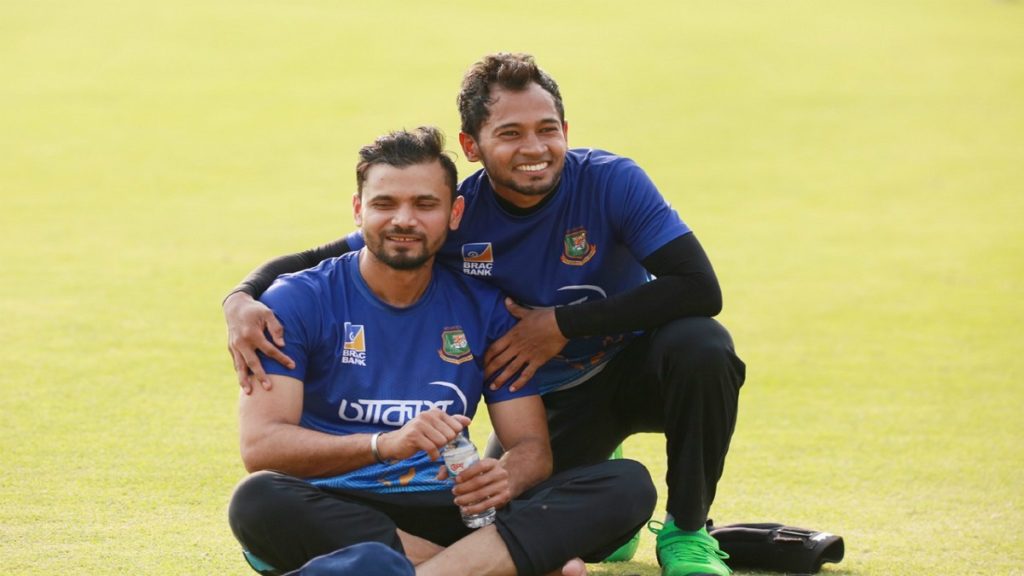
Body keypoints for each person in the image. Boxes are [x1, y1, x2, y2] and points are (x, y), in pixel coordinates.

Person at [224, 54, 745, 576]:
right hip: (540, 404)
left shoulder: (605, 187)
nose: (533, 148)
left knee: (685, 377)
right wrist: (242, 296)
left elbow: (699, 287)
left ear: (565, 132)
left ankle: (687, 532)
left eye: (546, 130)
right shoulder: (417, 232)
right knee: (259, 500)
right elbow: (320, 260)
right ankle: (484, 564)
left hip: (628, 370)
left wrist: (560, 327)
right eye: (510, 133)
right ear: (472, 146)